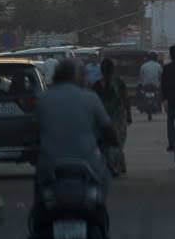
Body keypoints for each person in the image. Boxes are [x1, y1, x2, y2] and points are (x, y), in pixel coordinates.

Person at [35, 59, 117, 201]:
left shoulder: (43, 98)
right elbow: (107, 128)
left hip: (50, 162)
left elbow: (33, 131)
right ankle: (99, 212)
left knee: (39, 187)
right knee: (105, 178)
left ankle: (38, 217)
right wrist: (113, 142)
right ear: (78, 77)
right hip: (87, 160)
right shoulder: (90, 98)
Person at [94, 58, 132, 176]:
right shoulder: (119, 82)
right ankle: (117, 165)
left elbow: (93, 102)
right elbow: (126, 99)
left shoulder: (97, 85)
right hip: (118, 117)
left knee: (105, 143)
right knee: (118, 142)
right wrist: (129, 114)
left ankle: (111, 165)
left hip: (104, 117)